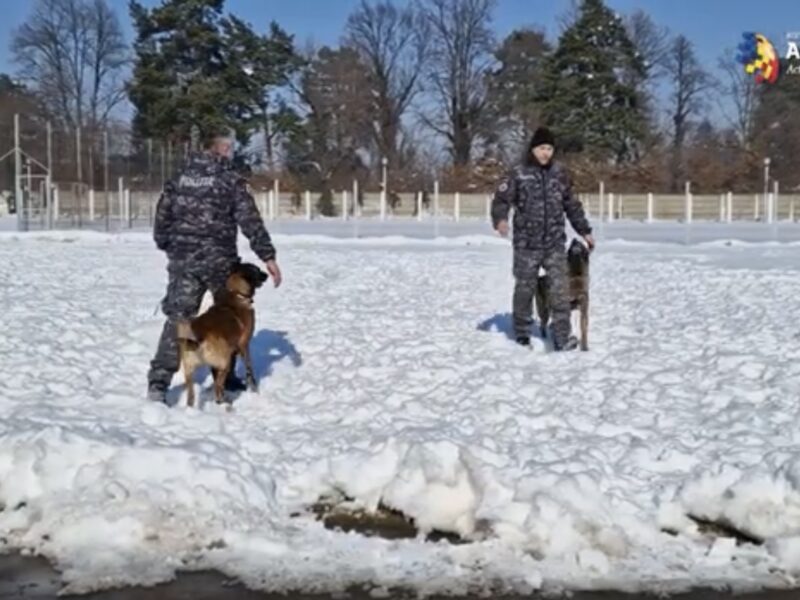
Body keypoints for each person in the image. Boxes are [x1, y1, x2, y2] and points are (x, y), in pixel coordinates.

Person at [146, 128, 282, 403]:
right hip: (220, 261)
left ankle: (159, 383)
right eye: (227, 147)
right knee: (226, 317)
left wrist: (167, 245)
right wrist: (267, 255)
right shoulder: (231, 179)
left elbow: (162, 216)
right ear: (218, 148)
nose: (230, 152)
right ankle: (226, 376)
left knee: (179, 319)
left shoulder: (179, 177)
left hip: (184, 261)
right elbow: (249, 220)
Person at [490, 126, 594, 351]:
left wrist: (584, 230)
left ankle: (562, 336)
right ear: (533, 149)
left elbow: (572, 205)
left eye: (549, 148)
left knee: (559, 291)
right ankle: (522, 333)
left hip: (555, 243)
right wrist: (500, 220)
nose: (546, 153)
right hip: (526, 244)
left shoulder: (560, 174)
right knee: (525, 289)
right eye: (541, 148)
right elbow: (501, 200)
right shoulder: (518, 173)